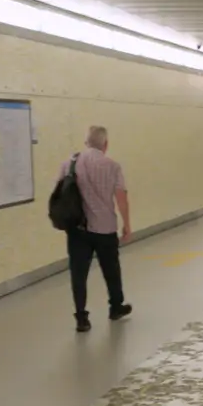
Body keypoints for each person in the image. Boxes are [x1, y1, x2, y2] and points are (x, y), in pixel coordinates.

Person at [63, 125, 132, 333]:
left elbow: (60, 191)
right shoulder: (112, 166)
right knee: (111, 269)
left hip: (78, 229)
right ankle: (116, 307)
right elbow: (121, 198)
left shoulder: (69, 164)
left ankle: (82, 318)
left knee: (78, 273)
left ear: (86, 143)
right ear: (106, 144)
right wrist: (127, 224)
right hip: (105, 227)